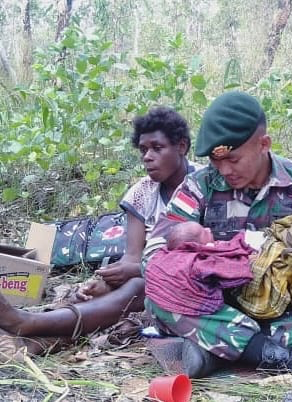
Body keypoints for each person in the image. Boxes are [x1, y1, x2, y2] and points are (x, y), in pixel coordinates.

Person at [143, 91, 292, 378]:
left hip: (285, 307)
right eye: (215, 160)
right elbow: (154, 255)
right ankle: (281, 356)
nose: (224, 170)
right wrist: (211, 263)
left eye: (233, 159)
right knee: (158, 292)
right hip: (215, 303)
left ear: (264, 144)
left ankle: (218, 349)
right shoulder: (199, 185)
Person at [0, 107, 199, 354]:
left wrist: (135, 271)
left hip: (186, 282)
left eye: (157, 148)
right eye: (143, 150)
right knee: (95, 294)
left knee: (137, 289)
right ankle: (36, 343)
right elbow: (132, 256)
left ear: (181, 146)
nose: (147, 156)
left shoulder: (204, 185)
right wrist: (108, 280)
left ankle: (25, 323)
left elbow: (203, 256)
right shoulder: (142, 192)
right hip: (146, 274)